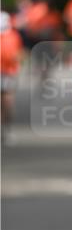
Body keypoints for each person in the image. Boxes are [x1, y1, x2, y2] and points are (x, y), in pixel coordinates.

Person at [0, 11, 24, 146]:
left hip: (8, 72)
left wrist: (16, 60)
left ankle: (7, 129)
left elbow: (19, 53)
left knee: (7, 101)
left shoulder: (13, 35)